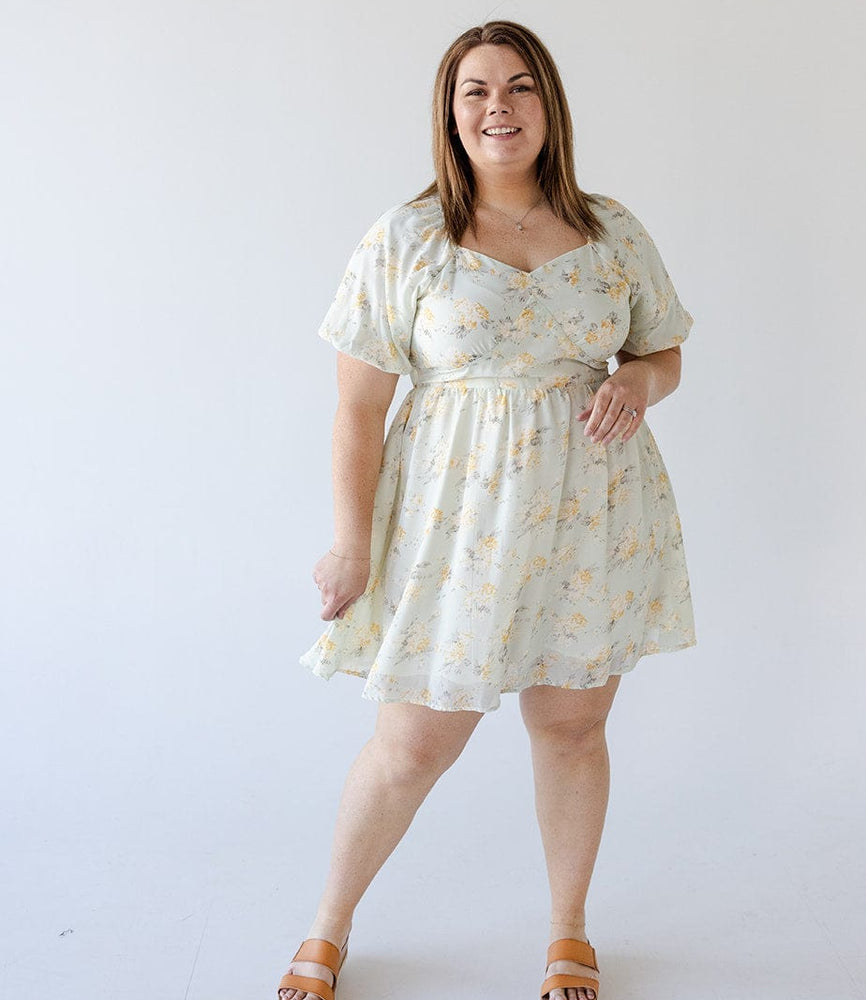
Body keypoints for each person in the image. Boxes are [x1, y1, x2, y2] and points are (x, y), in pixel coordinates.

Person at [280, 19, 696, 1000]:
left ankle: (566, 933)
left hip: (591, 516)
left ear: (549, 105)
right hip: (452, 526)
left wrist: (638, 381)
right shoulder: (407, 236)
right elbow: (357, 408)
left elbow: (664, 350)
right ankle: (329, 925)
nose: (498, 107)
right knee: (412, 741)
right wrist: (350, 540)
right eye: (475, 91)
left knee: (571, 731)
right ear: (449, 111)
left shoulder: (610, 230)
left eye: (518, 87)